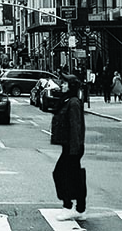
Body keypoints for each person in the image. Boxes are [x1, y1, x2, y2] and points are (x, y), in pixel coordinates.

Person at [50, 73, 87, 222]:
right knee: (73, 176)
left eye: (65, 83)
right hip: (70, 146)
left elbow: (75, 126)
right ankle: (79, 208)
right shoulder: (67, 101)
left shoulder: (73, 103)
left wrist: (74, 149)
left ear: (71, 86)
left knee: (61, 174)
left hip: (73, 147)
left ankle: (69, 207)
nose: (62, 85)